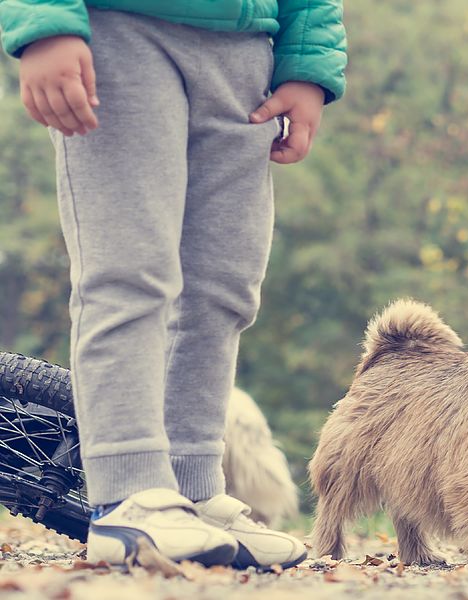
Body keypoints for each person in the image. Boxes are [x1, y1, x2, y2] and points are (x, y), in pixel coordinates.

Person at [0, 0, 346, 570]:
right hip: (121, 31)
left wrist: (307, 64)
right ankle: (128, 496)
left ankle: (191, 491)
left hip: (247, 54)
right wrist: (45, 24)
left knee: (224, 288)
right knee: (128, 272)